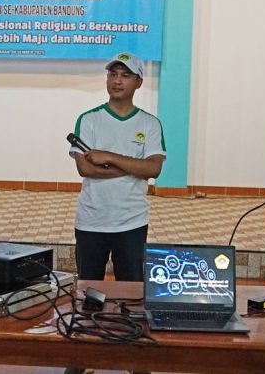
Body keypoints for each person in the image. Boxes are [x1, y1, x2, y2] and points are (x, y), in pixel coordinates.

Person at [65, 52, 165, 374]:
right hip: (92, 221)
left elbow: (154, 169)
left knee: (132, 296)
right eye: (113, 74)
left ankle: (135, 359)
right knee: (89, 294)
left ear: (138, 82)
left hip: (132, 222)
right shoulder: (89, 119)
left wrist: (109, 157)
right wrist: (133, 167)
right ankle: (83, 358)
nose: (117, 80)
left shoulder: (149, 123)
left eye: (125, 75)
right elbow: (86, 169)